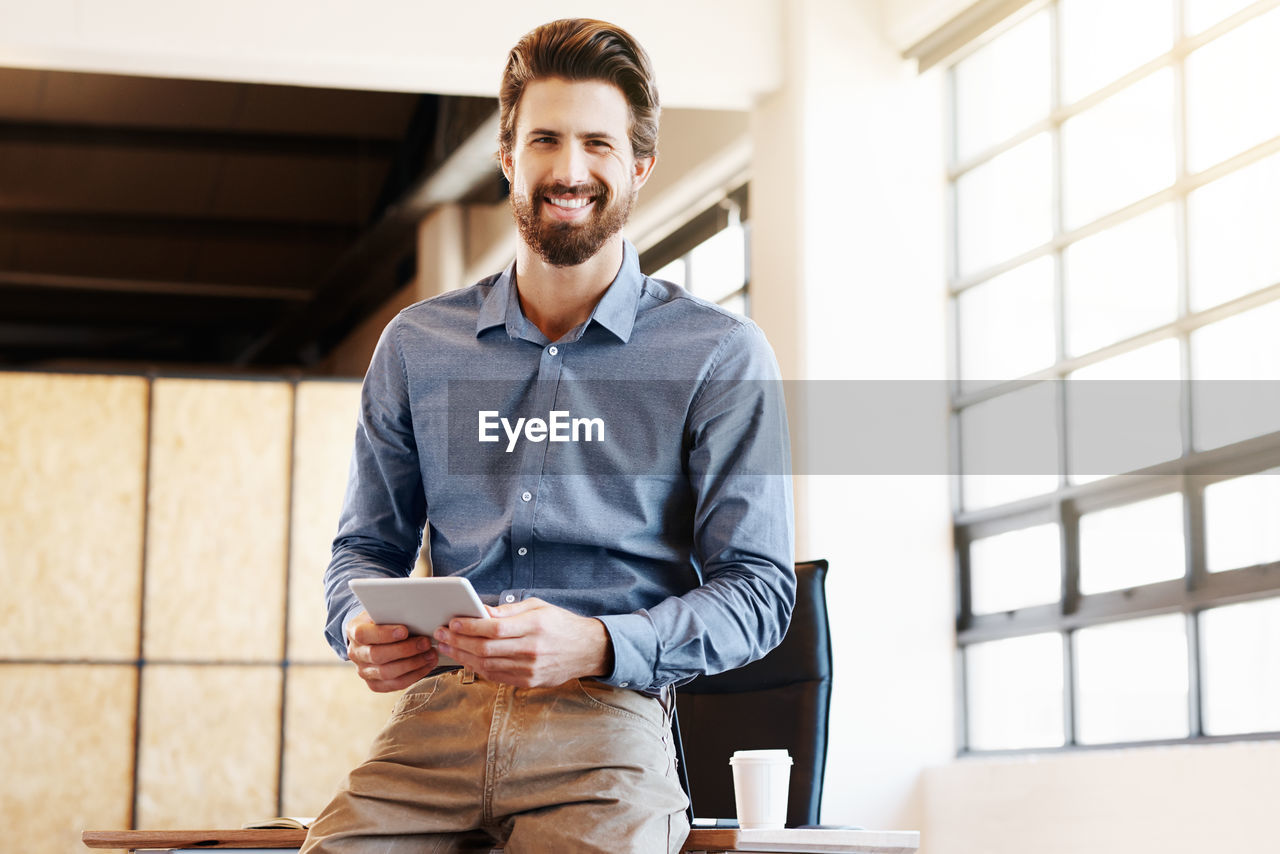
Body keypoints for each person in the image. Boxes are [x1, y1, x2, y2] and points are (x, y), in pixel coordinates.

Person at [301, 18, 795, 854]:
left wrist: (599, 643)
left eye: (598, 143)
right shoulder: (417, 347)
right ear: (508, 157)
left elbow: (759, 591)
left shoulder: (718, 354)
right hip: (434, 731)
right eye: (545, 141)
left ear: (639, 166)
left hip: (606, 733)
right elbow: (362, 549)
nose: (569, 170)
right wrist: (355, 622)